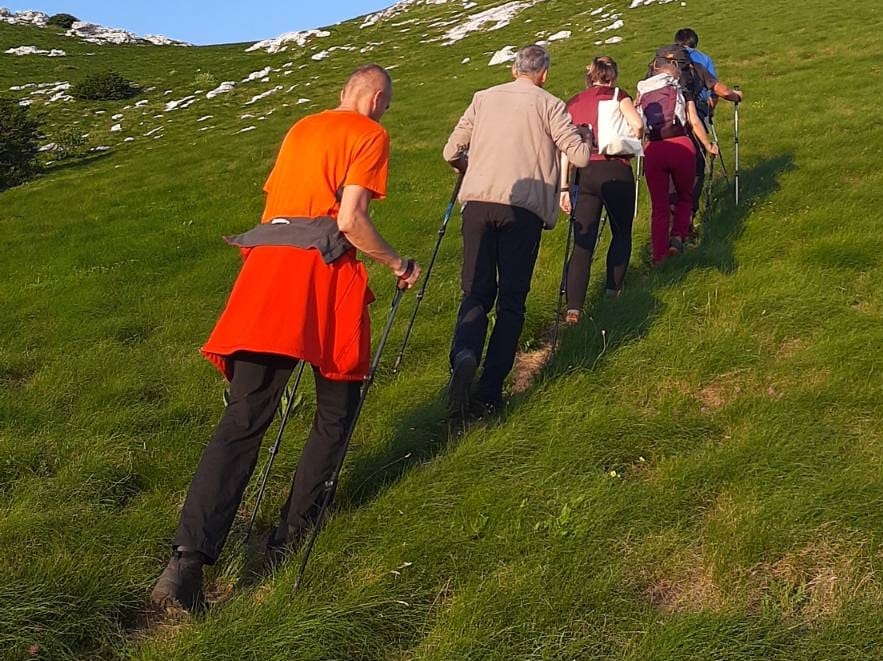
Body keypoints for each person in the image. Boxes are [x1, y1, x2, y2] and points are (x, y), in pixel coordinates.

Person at [150, 65, 421, 614]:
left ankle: (186, 562)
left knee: (244, 417)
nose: (385, 113)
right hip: (320, 280)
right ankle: (290, 535)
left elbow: (277, 208)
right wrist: (397, 263)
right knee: (336, 408)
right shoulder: (369, 134)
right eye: (387, 104)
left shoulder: (301, 128)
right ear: (374, 98)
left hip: (265, 273)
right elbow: (350, 219)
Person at [443, 44, 591, 418]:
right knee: (512, 301)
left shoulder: (483, 98)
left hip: (478, 203)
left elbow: (450, 152)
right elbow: (579, 156)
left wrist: (472, 167)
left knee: (475, 291)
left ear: (514, 69)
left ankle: (465, 354)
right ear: (544, 74)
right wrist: (585, 139)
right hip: (523, 211)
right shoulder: (551, 105)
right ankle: (489, 392)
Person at [559, 57, 645, 323]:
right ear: (613, 76)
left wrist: (564, 186)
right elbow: (638, 126)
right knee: (621, 232)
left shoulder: (573, 102)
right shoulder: (619, 96)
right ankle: (612, 292)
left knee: (583, 242)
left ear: (590, 77)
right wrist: (633, 138)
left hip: (583, 172)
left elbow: (565, 147)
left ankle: (574, 307)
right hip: (614, 168)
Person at [636, 48, 718, 266]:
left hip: (654, 148)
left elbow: (637, 124)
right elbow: (694, 121)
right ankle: (678, 238)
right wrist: (708, 145)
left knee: (659, 206)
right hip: (681, 145)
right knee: (685, 196)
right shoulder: (680, 90)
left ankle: (658, 255)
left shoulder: (643, 92)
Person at [672, 28, 744, 211]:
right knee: (697, 162)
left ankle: (673, 210)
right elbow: (715, 91)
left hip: (668, 119)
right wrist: (711, 111)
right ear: (695, 43)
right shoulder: (703, 59)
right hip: (697, 112)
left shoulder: (665, 60)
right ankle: (689, 211)